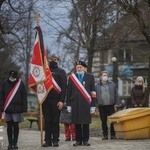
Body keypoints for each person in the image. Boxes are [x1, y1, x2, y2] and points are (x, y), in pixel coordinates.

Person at [66, 61, 96, 146]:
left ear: (84, 68)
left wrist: (93, 105)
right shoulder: (72, 77)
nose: (79, 69)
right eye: (77, 67)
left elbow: (93, 91)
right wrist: (68, 104)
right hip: (74, 102)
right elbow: (69, 92)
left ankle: (86, 140)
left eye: (80, 67)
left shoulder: (90, 77)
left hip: (86, 103)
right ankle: (78, 140)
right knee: (77, 122)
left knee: (85, 122)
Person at [42, 54, 67, 147]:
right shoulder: (44, 71)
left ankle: (55, 140)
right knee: (47, 121)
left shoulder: (61, 72)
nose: (53, 61)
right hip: (45, 100)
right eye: (51, 59)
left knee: (55, 121)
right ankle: (47, 140)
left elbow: (64, 87)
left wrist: (62, 100)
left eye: (55, 59)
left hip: (56, 100)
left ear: (58, 61)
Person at [0, 69, 27, 150]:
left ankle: (15, 143)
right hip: (7, 108)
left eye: (13, 75)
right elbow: (1, 95)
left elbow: (24, 96)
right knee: (9, 126)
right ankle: (10, 143)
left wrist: (24, 107)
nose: (12, 76)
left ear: (16, 75)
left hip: (17, 108)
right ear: (9, 75)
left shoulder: (20, 83)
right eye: (11, 75)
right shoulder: (5, 83)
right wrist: (1, 106)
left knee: (16, 126)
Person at [95, 71, 119, 140]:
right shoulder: (97, 86)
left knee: (112, 121)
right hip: (101, 106)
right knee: (103, 120)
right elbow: (95, 96)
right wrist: (96, 106)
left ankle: (113, 135)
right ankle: (105, 135)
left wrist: (116, 103)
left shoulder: (112, 84)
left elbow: (116, 94)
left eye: (106, 75)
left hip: (111, 105)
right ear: (100, 77)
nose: (105, 77)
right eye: (104, 75)